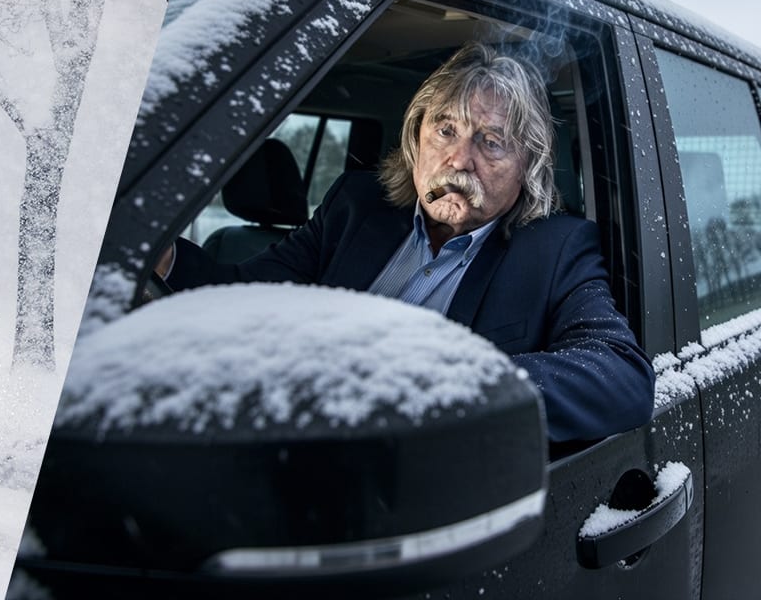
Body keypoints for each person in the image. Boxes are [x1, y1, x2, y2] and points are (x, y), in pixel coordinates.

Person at [159, 42, 655, 445]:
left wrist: (445, 382)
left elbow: (621, 376)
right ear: (417, 137)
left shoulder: (555, 249)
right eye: (446, 129)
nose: (458, 160)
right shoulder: (356, 207)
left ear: (529, 164)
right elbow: (242, 295)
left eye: (491, 142)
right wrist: (162, 257)